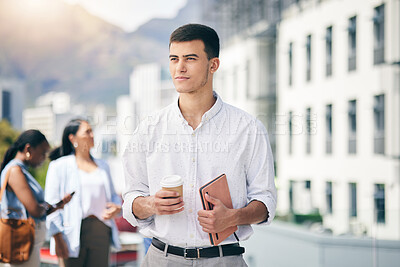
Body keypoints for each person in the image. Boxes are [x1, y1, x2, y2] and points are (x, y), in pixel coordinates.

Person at [122, 24, 277, 266]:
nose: (179, 68)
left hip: (224, 260)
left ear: (213, 65)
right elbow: (131, 198)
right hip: (161, 259)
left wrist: (233, 217)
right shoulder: (149, 129)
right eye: (174, 59)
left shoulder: (248, 129)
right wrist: (151, 204)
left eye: (190, 58)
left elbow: (265, 202)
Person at [45, 119, 121, 267]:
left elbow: (113, 197)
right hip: (71, 233)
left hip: (101, 231)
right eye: (87, 131)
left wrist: (117, 208)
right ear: (72, 138)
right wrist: (57, 237)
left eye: (92, 131)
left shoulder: (103, 166)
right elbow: (51, 204)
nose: (92, 135)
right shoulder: (59, 166)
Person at [0, 130, 72, 267]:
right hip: (21, 243)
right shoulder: (15, 171)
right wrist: (50, 206)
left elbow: (38, 209)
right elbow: (35, 210)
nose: (44, 158)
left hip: (25, 242)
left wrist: (56, 205)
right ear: (28, 149)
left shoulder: (20, 170)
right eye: (43, 153)